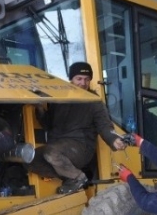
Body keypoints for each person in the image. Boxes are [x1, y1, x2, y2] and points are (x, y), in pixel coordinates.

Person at [28, 61, 126, 194]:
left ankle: (79, 177)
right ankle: (69, 177)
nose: (83, 83)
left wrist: (113, 139)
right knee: (29, 159)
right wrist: (39, 107)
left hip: (81, 147)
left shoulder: (93, 101)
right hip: (58, 145)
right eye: (79, 79)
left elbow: (104, 125)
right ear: (71, 79)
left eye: (86, 79)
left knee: (51, 153)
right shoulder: (60, 99)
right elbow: (47, 124)